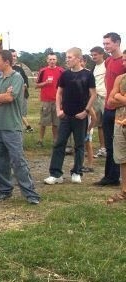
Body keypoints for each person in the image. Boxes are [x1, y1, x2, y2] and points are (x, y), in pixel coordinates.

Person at [0, 50, 40, 204]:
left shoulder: (17, 78)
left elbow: (10, 97)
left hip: (12, 126)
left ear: (7, 62)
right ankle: (4, 190)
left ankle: (30, 194)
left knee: (18, 160)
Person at [43, 48, 96, 185]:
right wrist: (58, 110)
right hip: (65, 116)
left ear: (78, 59)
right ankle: (55, 174)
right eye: (66, 57)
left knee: (79, 145)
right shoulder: (65, 75)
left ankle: (77, 172)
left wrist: (86, 111)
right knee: (59, 143)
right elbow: (59, 93)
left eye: (70, 57)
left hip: (80, 116)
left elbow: (93, 95)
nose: (67, 59)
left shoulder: (87, 75)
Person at [95, 32, 125, 186]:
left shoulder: (123, 62)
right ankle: (111, 176)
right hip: (108, 106)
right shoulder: (107, 62)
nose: (105, 46)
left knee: (118, 142)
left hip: (119, 107)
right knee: (109, 143)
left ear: (117, 43)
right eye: (104, 43)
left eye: (108, 43)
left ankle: (114, 176)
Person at [106, 51, 126, 203]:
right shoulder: (120, 78)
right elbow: (110, 102)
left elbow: (115, 97)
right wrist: (118, 97)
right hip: (119, 123)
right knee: (122, 158)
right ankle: (124, 191)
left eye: (125, 60)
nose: (123, 63)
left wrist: (119, 96)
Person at [35, 53, 64, 147]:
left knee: (56, 123)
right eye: (50, 59)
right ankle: (40, 140)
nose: (52, 61)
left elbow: (65, 85)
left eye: (54, 59)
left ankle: (55, 140)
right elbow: (36, 85)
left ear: (56, 60)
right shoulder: (43, 71)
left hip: (57, 100)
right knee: (43, 122)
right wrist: (45, 83)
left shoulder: (61, 71)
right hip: (46, 100)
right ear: (47, 60)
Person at [10, 49, 34, 133]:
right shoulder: (6, 69)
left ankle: (22, 129)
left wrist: (25, 86)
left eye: (15, 56)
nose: (14, 58)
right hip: (12, 96)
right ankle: (26, 127)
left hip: (22, 95)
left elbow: (26, 80)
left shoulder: (19, 69)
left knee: (22, 113)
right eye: (12, 56)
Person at [90, 46, 107, 158]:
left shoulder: (107, 65)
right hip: (96, 98)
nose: (93, 57)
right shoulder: (94, 68)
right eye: (92, 55)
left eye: (95, 54)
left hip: (105, 98)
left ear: (102, 54)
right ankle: (102, 148)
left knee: (108, 124)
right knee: (99, 124)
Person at [83, 108, 98, 172]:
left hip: (87, 129)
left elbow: (94, 118)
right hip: (81, 128)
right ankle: (80, 164)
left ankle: (90, 166)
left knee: (88, 146)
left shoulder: (88, 106)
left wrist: (88, 129)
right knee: (80, 146)